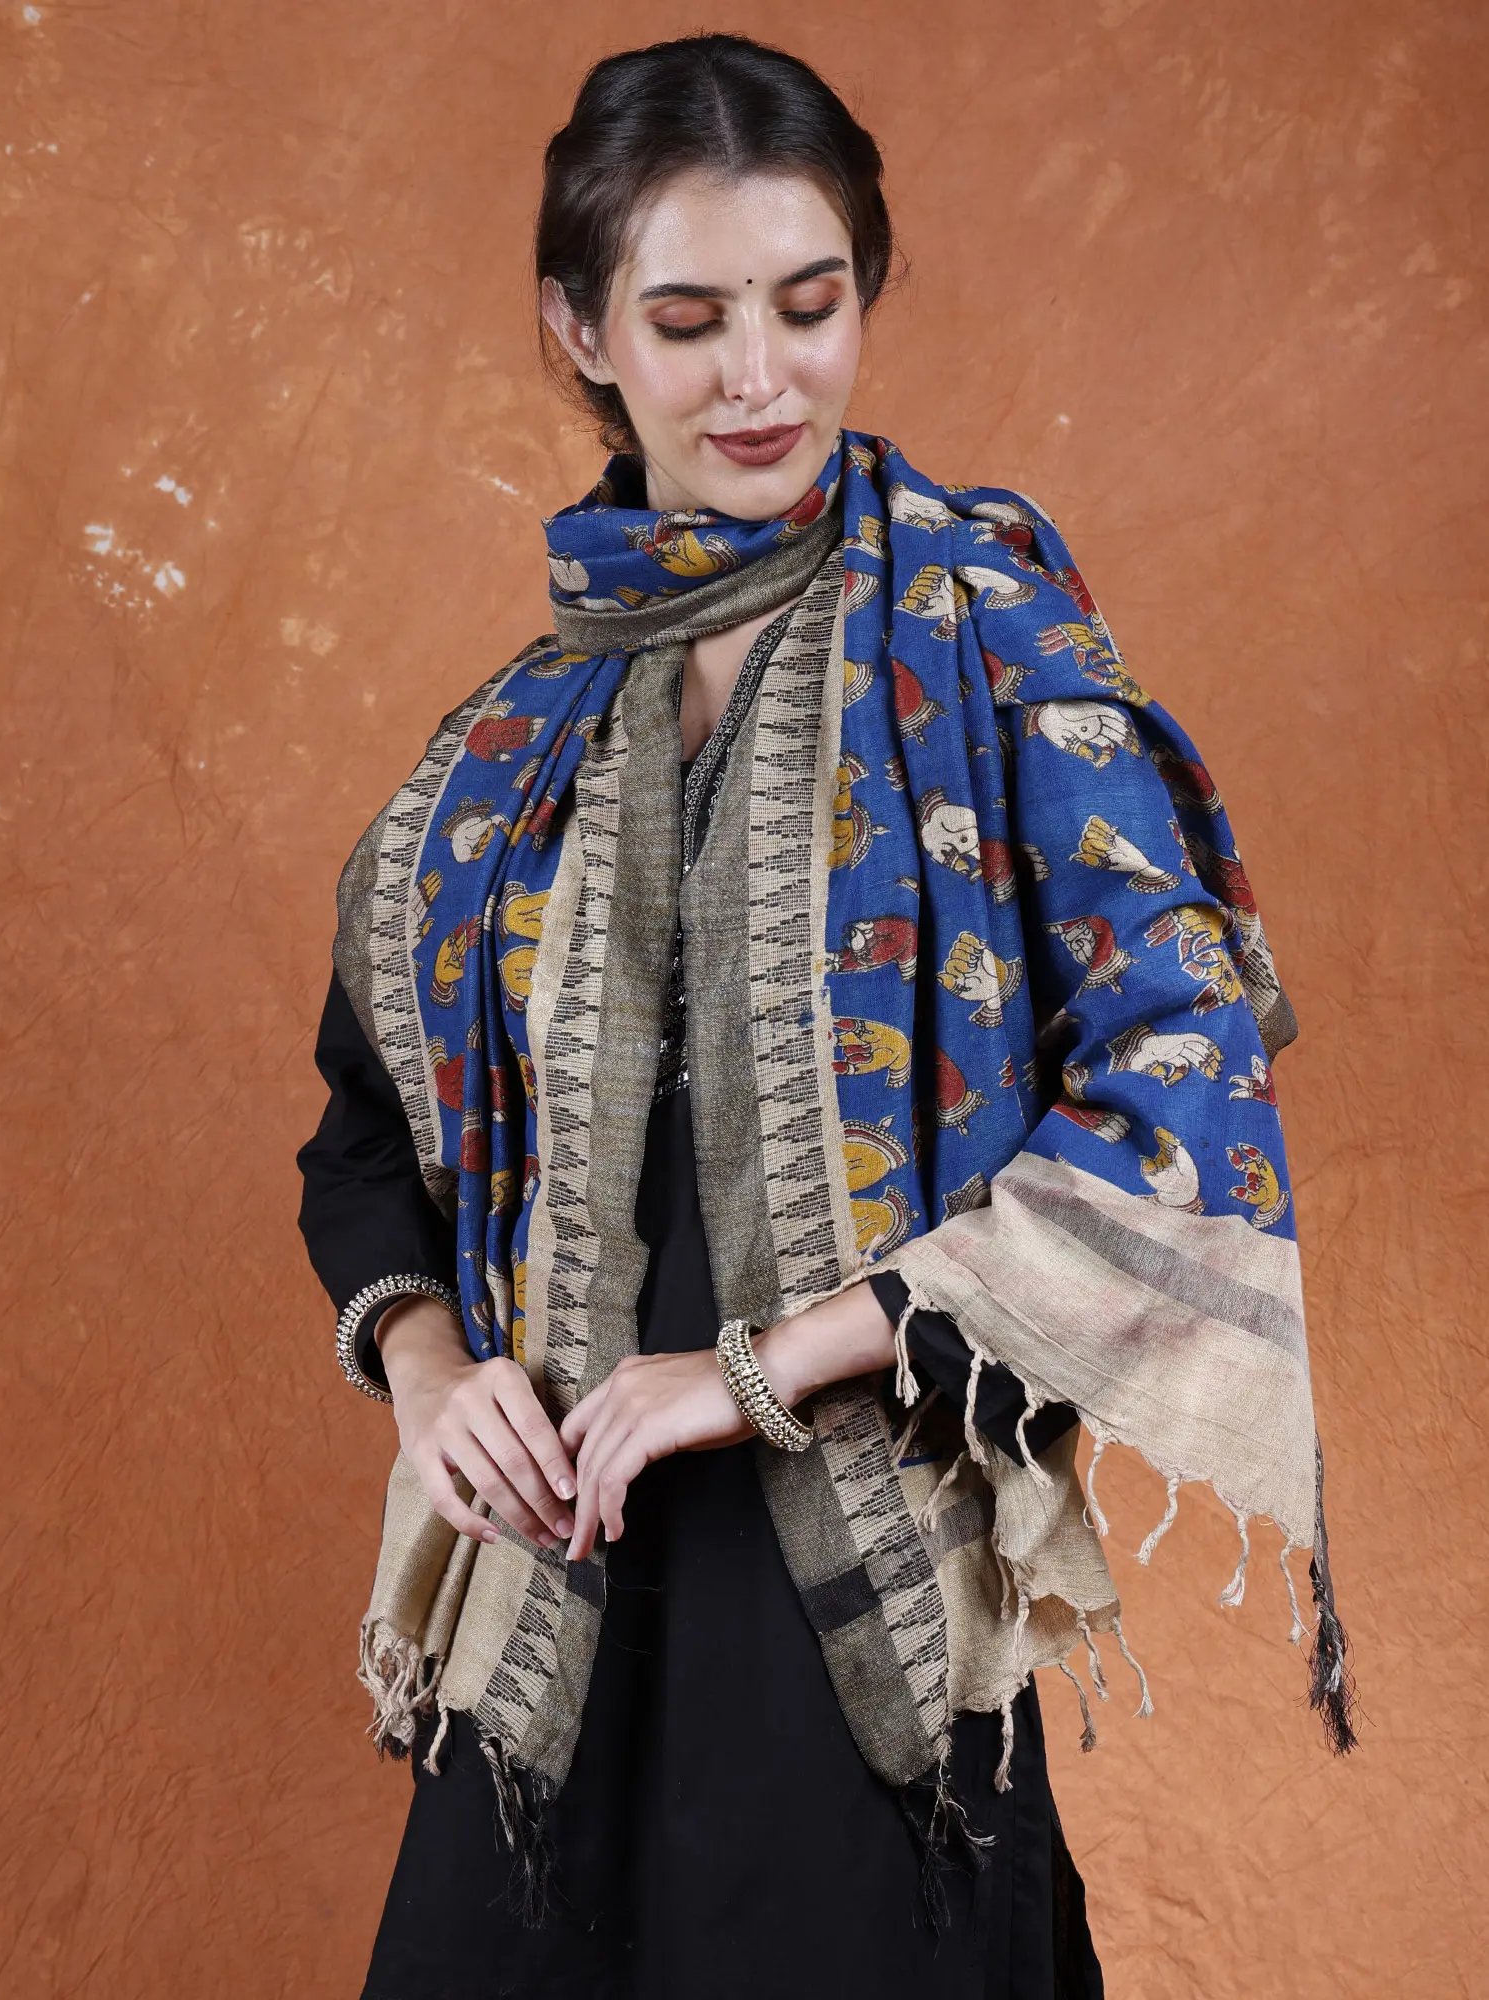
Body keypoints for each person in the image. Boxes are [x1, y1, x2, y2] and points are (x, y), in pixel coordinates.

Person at [297, 32, 1353, 2000]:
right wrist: (432, 1374)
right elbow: (365, 1140)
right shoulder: (512, 745)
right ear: (581, 329)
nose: (760, 379)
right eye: (689, 319)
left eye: (810, 303)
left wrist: (753, 1370)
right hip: (547, 1618)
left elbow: (1181, 1088)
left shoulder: (992, 646)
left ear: (867, 292)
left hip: (857, 1612)